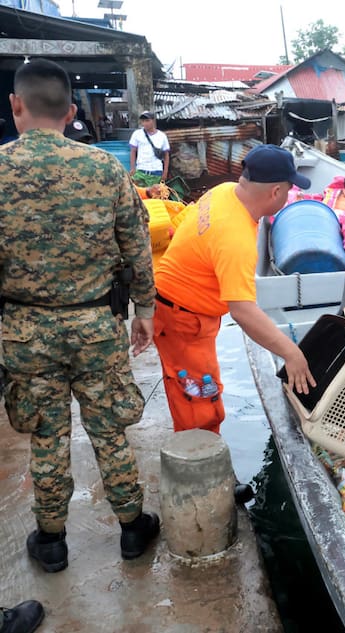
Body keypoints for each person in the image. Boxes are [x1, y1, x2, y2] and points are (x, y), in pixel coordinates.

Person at [0, 58, 160, 573]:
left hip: (25, 332)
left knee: (47, 434)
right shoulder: (105, 168)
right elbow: (137, 246)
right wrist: (145, 310)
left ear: (15, 105)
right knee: (109, 429)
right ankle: (132, 528)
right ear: (71, 112)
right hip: (96, 328)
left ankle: (51, 541)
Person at [151, 144, 317, 440]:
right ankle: (200, 460)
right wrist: (291, 353)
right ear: (276, 192)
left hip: (176, 306)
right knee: (200, 403)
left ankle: (197, 449)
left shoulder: (224, 191)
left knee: (187, 390)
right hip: (182, 319)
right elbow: (242, 311)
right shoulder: (235, 238)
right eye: (290, 189)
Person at [128, 110, 169, 185]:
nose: (145, 123)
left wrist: (165, 172)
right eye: (143, 121)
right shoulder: (137, 134)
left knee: (154, 192)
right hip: (141, 171)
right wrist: (133, 168)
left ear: (153, 121)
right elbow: (133, 151)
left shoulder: (162, 136)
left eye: (147, 121)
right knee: (137, 191)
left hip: (156, 172)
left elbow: (166, 155)